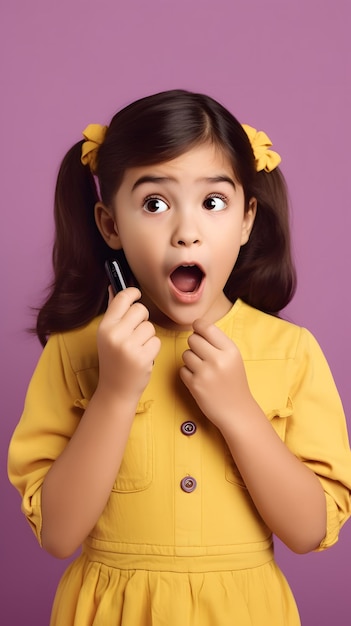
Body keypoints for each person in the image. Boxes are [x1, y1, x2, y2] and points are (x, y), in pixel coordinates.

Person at [8, 89, 351, 626]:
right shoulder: (74, 350)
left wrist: (239, 410)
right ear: (110, 225)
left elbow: (310, 532)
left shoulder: (293, 352)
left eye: (213, 202)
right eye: (154, 203)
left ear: (245, 220)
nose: (187, 231)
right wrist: (116, 393)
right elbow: (57, 534)